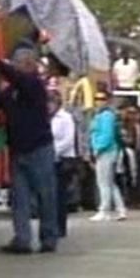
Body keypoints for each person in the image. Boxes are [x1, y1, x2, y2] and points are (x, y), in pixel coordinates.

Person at [0, 45, 59, 254]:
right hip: (18, 150)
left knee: (45, 195)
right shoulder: (12, 91)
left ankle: (49, 237)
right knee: (20, 198)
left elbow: (18, 79)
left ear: (30, 65)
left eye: (20, 63)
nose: (17, 66)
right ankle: (22, 239)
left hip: (39, 148)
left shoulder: (34, 85)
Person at [90, 92, 127, 221]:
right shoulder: (99, 115)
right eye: (97, 99)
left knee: (103, 182)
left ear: (107, 101)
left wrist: (98, 149)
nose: (98, 101)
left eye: (102, 99)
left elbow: (107, 135)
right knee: (110, 182)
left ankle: (104, 210)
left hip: (106, 151)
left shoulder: (106, 116)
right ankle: (120, 209)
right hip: (107, 150)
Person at [49, 92, 76, 238]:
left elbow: (68, 140)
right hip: (50, 160)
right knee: (50, 195)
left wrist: (54, 151)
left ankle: (61, 227)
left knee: (60, 195)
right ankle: (51, 225)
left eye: (51, 103)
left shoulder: (65, 118)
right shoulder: (47, 118)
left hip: (63, 160)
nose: (49, 106)